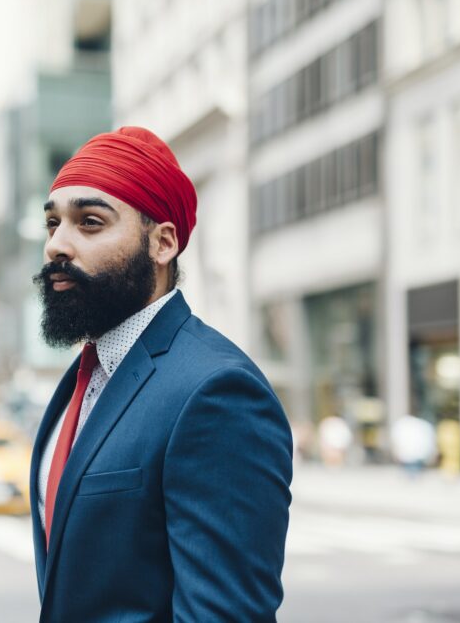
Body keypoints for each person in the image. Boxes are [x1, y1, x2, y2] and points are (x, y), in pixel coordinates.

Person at [30, 126, 293, 622]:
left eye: (89, 222)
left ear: (163, 243)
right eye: (52, 223)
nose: (57, 246)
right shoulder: (85, 375)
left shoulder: (216, 391)